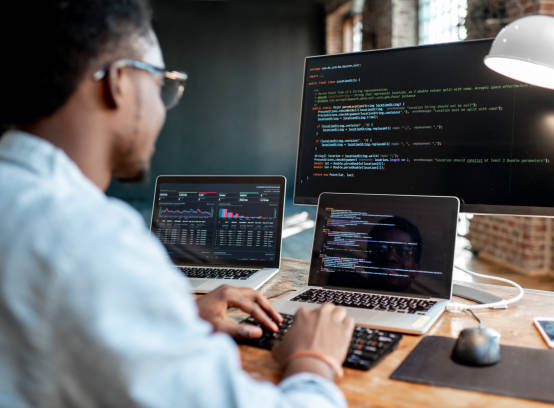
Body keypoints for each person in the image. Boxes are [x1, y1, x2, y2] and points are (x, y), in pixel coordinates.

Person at [0, 1, 354, 407]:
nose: (163, 108)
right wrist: (315, 360)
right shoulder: (92, 240)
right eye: (161, 84)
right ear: (118, 82)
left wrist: (173, 323)